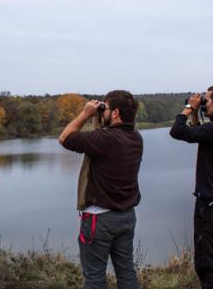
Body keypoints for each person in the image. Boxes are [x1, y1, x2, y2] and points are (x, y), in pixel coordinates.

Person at [59, 90, 143, 289]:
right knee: (126, 272)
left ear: (114, 113)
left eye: (105, 107)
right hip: (126, 216)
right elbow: (101, 137)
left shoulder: (106, 139)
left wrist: (86, 114)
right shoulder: (136, 137)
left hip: (99, 220)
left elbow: (65, 138)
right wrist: (99, 117)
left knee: (95, 276)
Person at [169, 85, 213, 289]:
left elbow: (177, 131)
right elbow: (197, 133)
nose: (202, 103)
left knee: (209, 262)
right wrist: (197, 115)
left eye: (206, 101)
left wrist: (189, 108)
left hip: (211, 208)